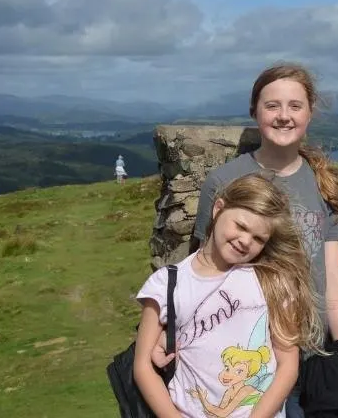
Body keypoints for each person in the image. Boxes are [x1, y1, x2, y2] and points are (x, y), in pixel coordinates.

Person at [178, 63, 338, 418]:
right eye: (271, 105)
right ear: (254, 111)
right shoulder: (224, 181)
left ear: (310, 113)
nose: (283, 116)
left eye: (295, 106)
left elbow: (336, 291)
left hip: (316, 358)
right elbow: (200, 276)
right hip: (249, 359)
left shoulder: (327, 185)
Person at [133, 174, 324, 418]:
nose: (245, 241)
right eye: (241, 226)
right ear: (218, 208)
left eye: (258, 239)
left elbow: (288, 364)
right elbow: (142, 367)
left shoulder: (272, 281)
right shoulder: (166, 284)